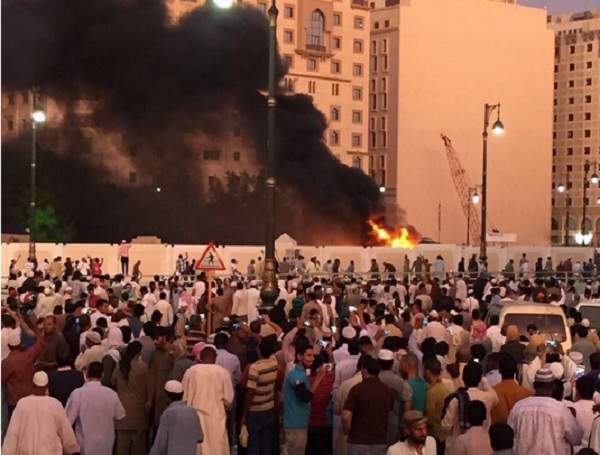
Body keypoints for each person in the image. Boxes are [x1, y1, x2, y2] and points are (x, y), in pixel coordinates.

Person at [508, 368, 584, 454]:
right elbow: (576, 437)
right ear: (553, 386)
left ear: (534, 385)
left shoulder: (519, 407)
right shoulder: (560, 409)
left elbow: (509, 437)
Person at [2, 371, 81, 455]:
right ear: (47, 386)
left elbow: (13, 433)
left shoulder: (22, 403)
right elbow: (65, 432)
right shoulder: (54, 404)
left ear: (33, 385)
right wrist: (72, 449)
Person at [182, 345, 234, 455]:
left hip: (194, 417)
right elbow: (229, 399)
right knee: (216, 448)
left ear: (200, 357)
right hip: (216, 417)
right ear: (215, 357)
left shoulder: (191, 372)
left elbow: (184, 397)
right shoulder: (223, 373)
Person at [66, 362, 125, 455]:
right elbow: (120, 415)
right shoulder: (111, 394)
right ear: (102, 374)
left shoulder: (78, 393)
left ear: (86, 373)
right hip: (105, 444)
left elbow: (68, 420)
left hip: (84, 445)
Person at [343, 356, 395, 455]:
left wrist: (348, 432)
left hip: (358, 441)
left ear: (365, 370)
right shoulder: (387, 390)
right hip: (380, 441)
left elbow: (346, 416)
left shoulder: (356, 389)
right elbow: (391, 415)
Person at [441, 361, 498, 449]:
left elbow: (446, 426)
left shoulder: (456, 399)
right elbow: (496, 399)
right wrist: (482, 379)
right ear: (480, 379)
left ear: (463, 377)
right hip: (481, 446)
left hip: (456, 447)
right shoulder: (489, 397)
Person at [283, 341, 323, 455]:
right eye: (309, 355)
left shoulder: (301, 373)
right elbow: (306, 396)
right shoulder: (295, 375)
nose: (312, 359)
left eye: (313, 356)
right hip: (295, 425)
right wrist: (319, 378)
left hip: (299, 423)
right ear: (300, 356)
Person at [112, 341, 150, 455]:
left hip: (121, 411)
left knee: (122, 447)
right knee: (137, 448)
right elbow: (148, 387)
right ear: (139, 352)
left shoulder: (120, 366)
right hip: (139, 412)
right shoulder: (144, 368)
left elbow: (112, 381)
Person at [242, 338, 279, 455]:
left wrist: (244, 415)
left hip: (255, 410)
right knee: (266, 443)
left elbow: (250, 393)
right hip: (269, 407)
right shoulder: (274, 363)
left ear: (259, 350)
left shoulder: (255, 367)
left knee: (254, 444)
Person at [149, 380, 204, 455]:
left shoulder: (168, 414)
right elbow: (200, 437)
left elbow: (160, 445)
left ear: (166, 396)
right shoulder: (192, 411)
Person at [490, 352, 531, 424]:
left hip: (500, 432)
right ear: (515, 370)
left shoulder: (493, 391)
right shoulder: (527, 393)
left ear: (500, 370)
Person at [424, 357, 451, 452]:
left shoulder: (431, 392)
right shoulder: (446, 389)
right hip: (444, 434)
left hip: (434, 435)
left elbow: (430, 420)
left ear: (427, 372)